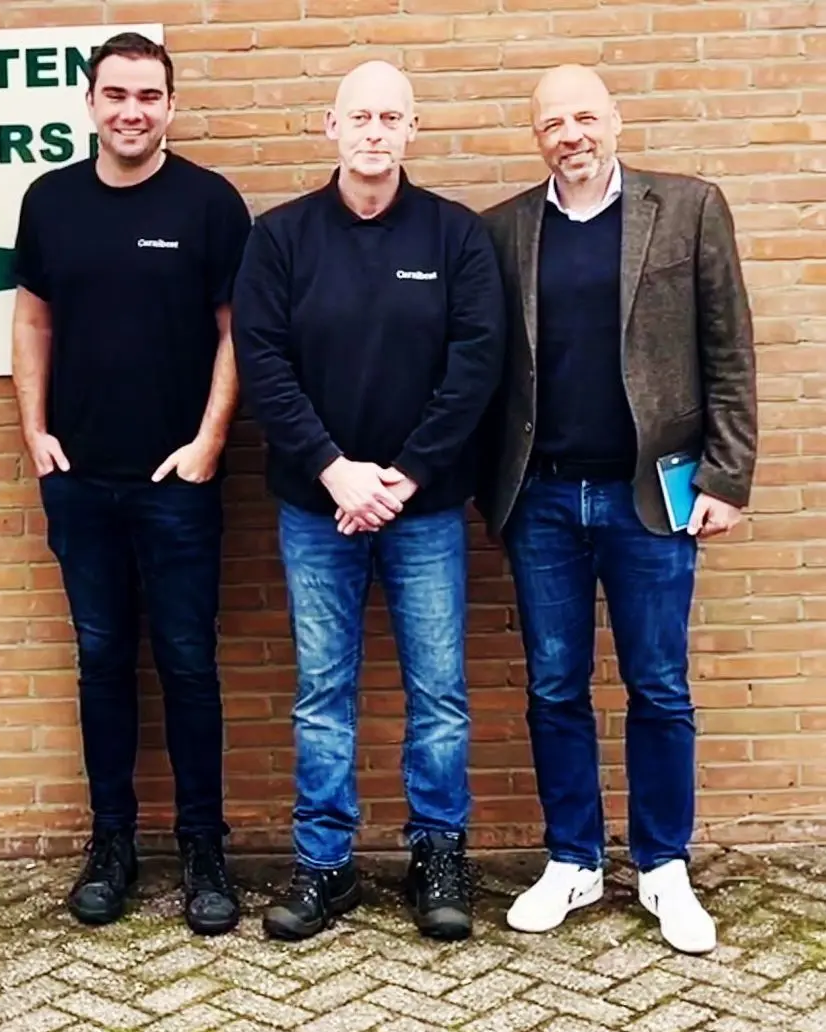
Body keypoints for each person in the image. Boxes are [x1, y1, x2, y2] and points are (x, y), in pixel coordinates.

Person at [478, 65, 757, 956]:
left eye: (585, 117)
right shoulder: (504, 230)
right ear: (536, 137)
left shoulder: (688, 209)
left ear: (615, 119)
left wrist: (727, 477)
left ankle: (663, 864)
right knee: (554, 683)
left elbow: (729, 349)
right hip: (544, 496)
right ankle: (574, 858)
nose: (571, 134)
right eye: (552, 123)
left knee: (659, 684)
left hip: (651, 494)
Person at [233, 60, 506, 943]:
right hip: (318, 509)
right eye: (361, 116)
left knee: (439, 692)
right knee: (322, 691)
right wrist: (334, 470)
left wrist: (404, 475)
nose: (376, 132)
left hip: (424, 508)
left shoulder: (456, 236)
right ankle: (325, 864)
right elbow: (263, 364)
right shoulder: (280, 238)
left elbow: (476, 364)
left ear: (413, 129)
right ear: (331, 126)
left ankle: (438, 856)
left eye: (392, 117)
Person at [10, 32, 253, 936]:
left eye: (148, 96)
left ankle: (203, 848)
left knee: (188, 663)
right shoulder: (51, 201)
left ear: (170, 106)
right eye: (115, 94)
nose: (131, 111)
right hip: (80, 481)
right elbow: (31, 322)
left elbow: (237, 332)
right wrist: (35, 431)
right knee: (103, 661)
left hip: (176, 484)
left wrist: (208, 443)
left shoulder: (209, 203)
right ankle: (112, 843)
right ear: (89, 102)